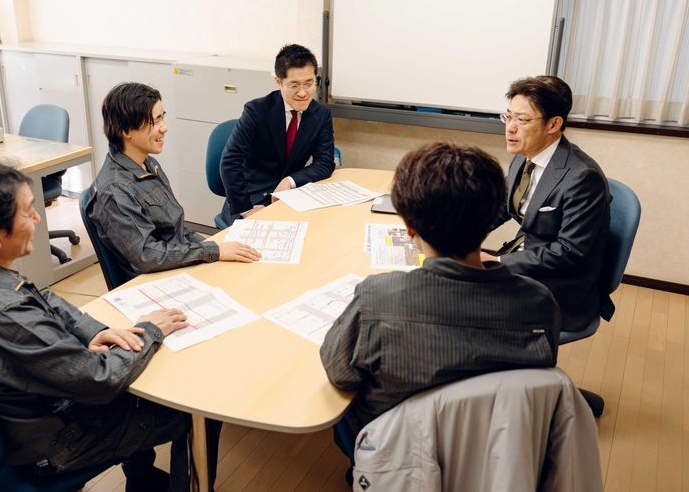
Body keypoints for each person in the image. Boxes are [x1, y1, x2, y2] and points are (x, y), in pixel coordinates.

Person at [0, 160, 193, 491]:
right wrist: (151, 330)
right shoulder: (7, 315)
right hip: (54, 445)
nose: (37, 218)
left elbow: (39, 296)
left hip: (11, 421)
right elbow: (100, 378)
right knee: (186, 409)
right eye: (28, 212)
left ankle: (142, 477)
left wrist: (92, 330)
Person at [320, 142, 561, 470]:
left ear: (409, 228)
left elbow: (340, 374)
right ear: (491, 218)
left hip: (400, 452)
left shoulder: (377, 299)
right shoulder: (539, 302)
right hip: (499, 452)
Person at [87, 82, 260, 284]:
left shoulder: (148, 164)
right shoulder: (115, 190)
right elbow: (147, 256)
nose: (164, 128)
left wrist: (217, 247)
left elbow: (177, 229)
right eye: (156, 121)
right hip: (158, 280)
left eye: (163, 117)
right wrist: (213, 250)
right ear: (126, 131)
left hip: (179, 263)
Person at [481, 76, 612, 332]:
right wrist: (459, 235)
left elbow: (568, 252)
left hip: (561, 287)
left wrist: (500, 263)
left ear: (553, 124)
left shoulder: (583, 177)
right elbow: (502, 207)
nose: (510, 128)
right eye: (508, 117)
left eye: (522, 120)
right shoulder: (524, 156)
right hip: (526, 258)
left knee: (468, 303)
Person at [219, 43, 336, 226]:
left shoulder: (321, 114)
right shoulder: (257, 111)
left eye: (309, 83)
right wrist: (245, 209)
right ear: (278, 82)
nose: (303, 93)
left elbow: (325, 162)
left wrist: (290, 181)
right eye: (294, 85)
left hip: (289, 198)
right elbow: (230, 161)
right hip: (251, 199)